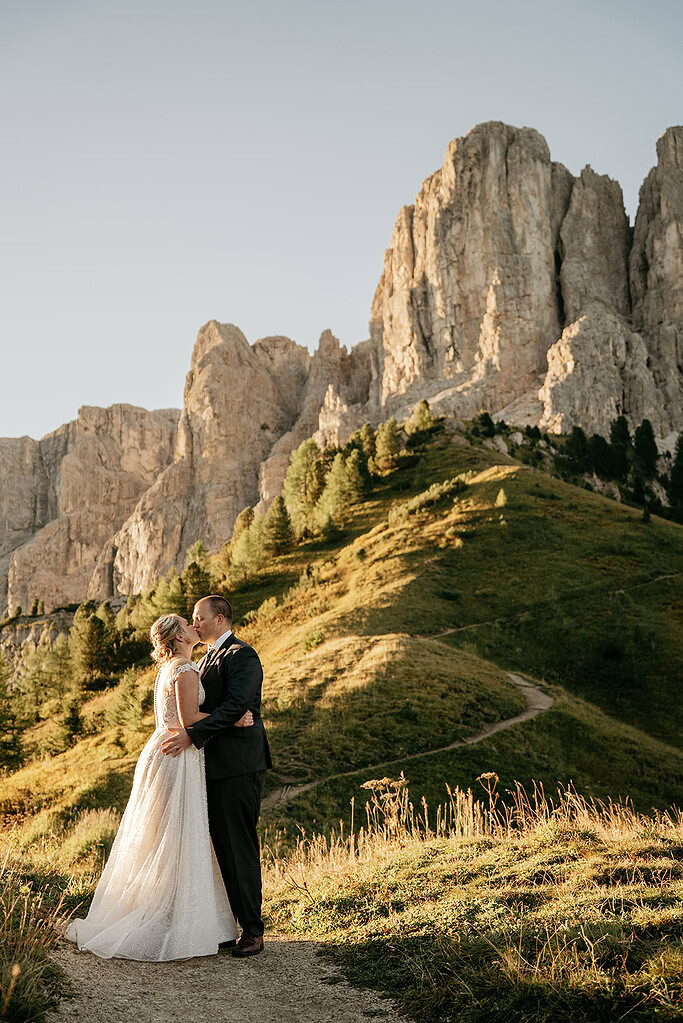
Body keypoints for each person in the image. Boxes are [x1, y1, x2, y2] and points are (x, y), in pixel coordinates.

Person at [65, 613, 253, 960]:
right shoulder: (185, 668)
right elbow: (187, 719)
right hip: (177, 754)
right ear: (178, 637)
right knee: (176, 834)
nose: (193, 626)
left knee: (165, 834)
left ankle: (173, 912)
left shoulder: (172, 667)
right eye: (186, 623)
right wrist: (234, 719)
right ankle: (172, 920)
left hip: (167, 750)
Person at [161, 594, 272, 958]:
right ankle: (225, 925)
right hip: (211, 765)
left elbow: (236, 706)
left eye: (200, 617)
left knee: (238, 846)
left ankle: (252, 930)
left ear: (220, 619)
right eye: (192, 619)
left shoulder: (242, 655)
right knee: (219, 848)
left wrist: (192, 734)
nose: (194, 624)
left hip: (239, 765)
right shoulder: (205, 658)